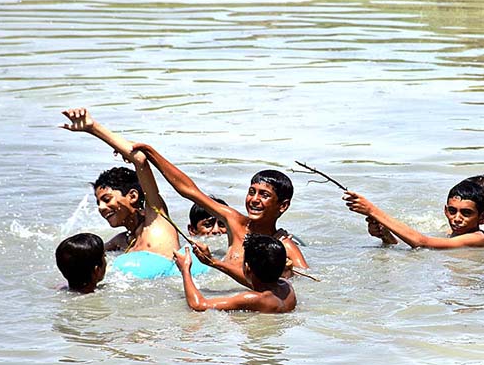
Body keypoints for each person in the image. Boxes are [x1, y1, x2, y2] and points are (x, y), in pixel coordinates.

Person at [131, 143, 308, 287]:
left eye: (264, 195)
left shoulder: (285, 246)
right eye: (251, 192)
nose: (254, 199)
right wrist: (151, 153)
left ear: (283, 206)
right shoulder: (235, 222)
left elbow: (308, 285)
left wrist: (288, 274)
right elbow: (190, 191)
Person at [61, 108, 207, 279]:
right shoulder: (121, 241)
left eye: (106, 199)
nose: (101, 208)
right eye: (98, 202)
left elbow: (140, 160)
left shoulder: (157, 221)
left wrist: (93, 128)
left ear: (133, 196)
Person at [344, 179, 484, 249]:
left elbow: (422, 242)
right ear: (445, 210)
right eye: (452, 211)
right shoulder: (450, 234)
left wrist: (372, 210)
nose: (457, 218)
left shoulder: (481, 239)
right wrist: (386, 236)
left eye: (466, 213)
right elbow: (417, 247)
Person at [173, 234, 296, 313]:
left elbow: (199, 305)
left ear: (247, 268)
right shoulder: (287, 286)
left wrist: (185, 270)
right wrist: (213, 262)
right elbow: (255, 280)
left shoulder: (255, 299)